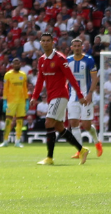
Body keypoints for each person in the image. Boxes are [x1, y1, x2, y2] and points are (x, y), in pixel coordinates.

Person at [31, 30, 89, 166]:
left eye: (48, 41)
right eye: (43, 41)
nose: (45, 43)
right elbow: (40, 80)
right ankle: (82, 150)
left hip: (60, 95)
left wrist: (80, 95)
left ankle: (49, 158)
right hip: (52, 97)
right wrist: (34, 96)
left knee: (48, 123)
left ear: (52, 42)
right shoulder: (41, 60)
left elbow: (71, 78)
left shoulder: (60, 59)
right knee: (58, 127)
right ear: (40, 43)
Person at [68, 36, 103, 159]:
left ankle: (97, 141)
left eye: (79, 46)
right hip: (72, 96)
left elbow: (95, 78)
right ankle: (80, 150)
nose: (77, 48)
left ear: (82, 47)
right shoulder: (67, 61)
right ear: (71, 48)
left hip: (86, 96)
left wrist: (90, 93)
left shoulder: (89, 60)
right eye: (75, 46)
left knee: (86, 125)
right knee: (73, 123)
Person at [0, 62, 31, 147]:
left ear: (20, 65)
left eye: (18, 64)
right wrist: (5, 101)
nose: (17, 65)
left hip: (21, 101)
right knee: (8, 121)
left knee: (20, 121)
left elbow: (25, 89)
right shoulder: (8, 74)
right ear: (13, 65)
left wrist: (27, 100)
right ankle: (5, 141)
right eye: (15, 64)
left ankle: (17, 141)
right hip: (11, 101)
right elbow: (5, 88)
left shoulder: (23, 75)